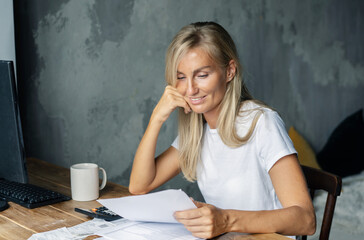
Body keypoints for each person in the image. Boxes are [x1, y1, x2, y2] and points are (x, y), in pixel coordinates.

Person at [129, 21, 316, 239]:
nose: (190, 89)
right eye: (181, 77)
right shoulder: (197, 131)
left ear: (229, 71)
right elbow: (139, 186)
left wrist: (225, 220)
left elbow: (306, 220)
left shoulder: (261, 122)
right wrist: (156, 118)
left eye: (202, 75)